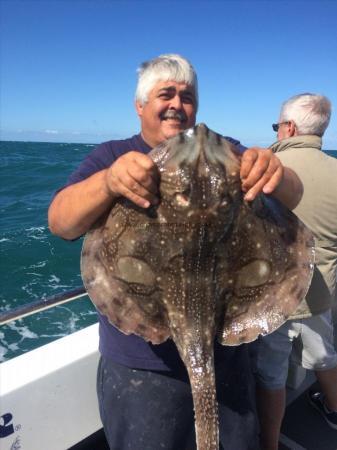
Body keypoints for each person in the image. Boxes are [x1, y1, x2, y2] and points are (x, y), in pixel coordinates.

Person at [48, 54, 302, 450]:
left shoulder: (226, 152)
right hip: (143, 369)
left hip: (227, 357)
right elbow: (60, 222)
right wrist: (109, 182)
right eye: (166, 94)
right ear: (140, 105)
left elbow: (293, 195)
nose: (178, 105)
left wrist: (275, 170)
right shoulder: (112, 155)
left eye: (187, 97)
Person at [252, 93, 337, 450]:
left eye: (277, 126)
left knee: (271, 375)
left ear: (288, 127)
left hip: (274, 297)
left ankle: (269, 444)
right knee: (324, 355)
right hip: (321, 293)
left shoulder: (264, 170)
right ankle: (334, 410)